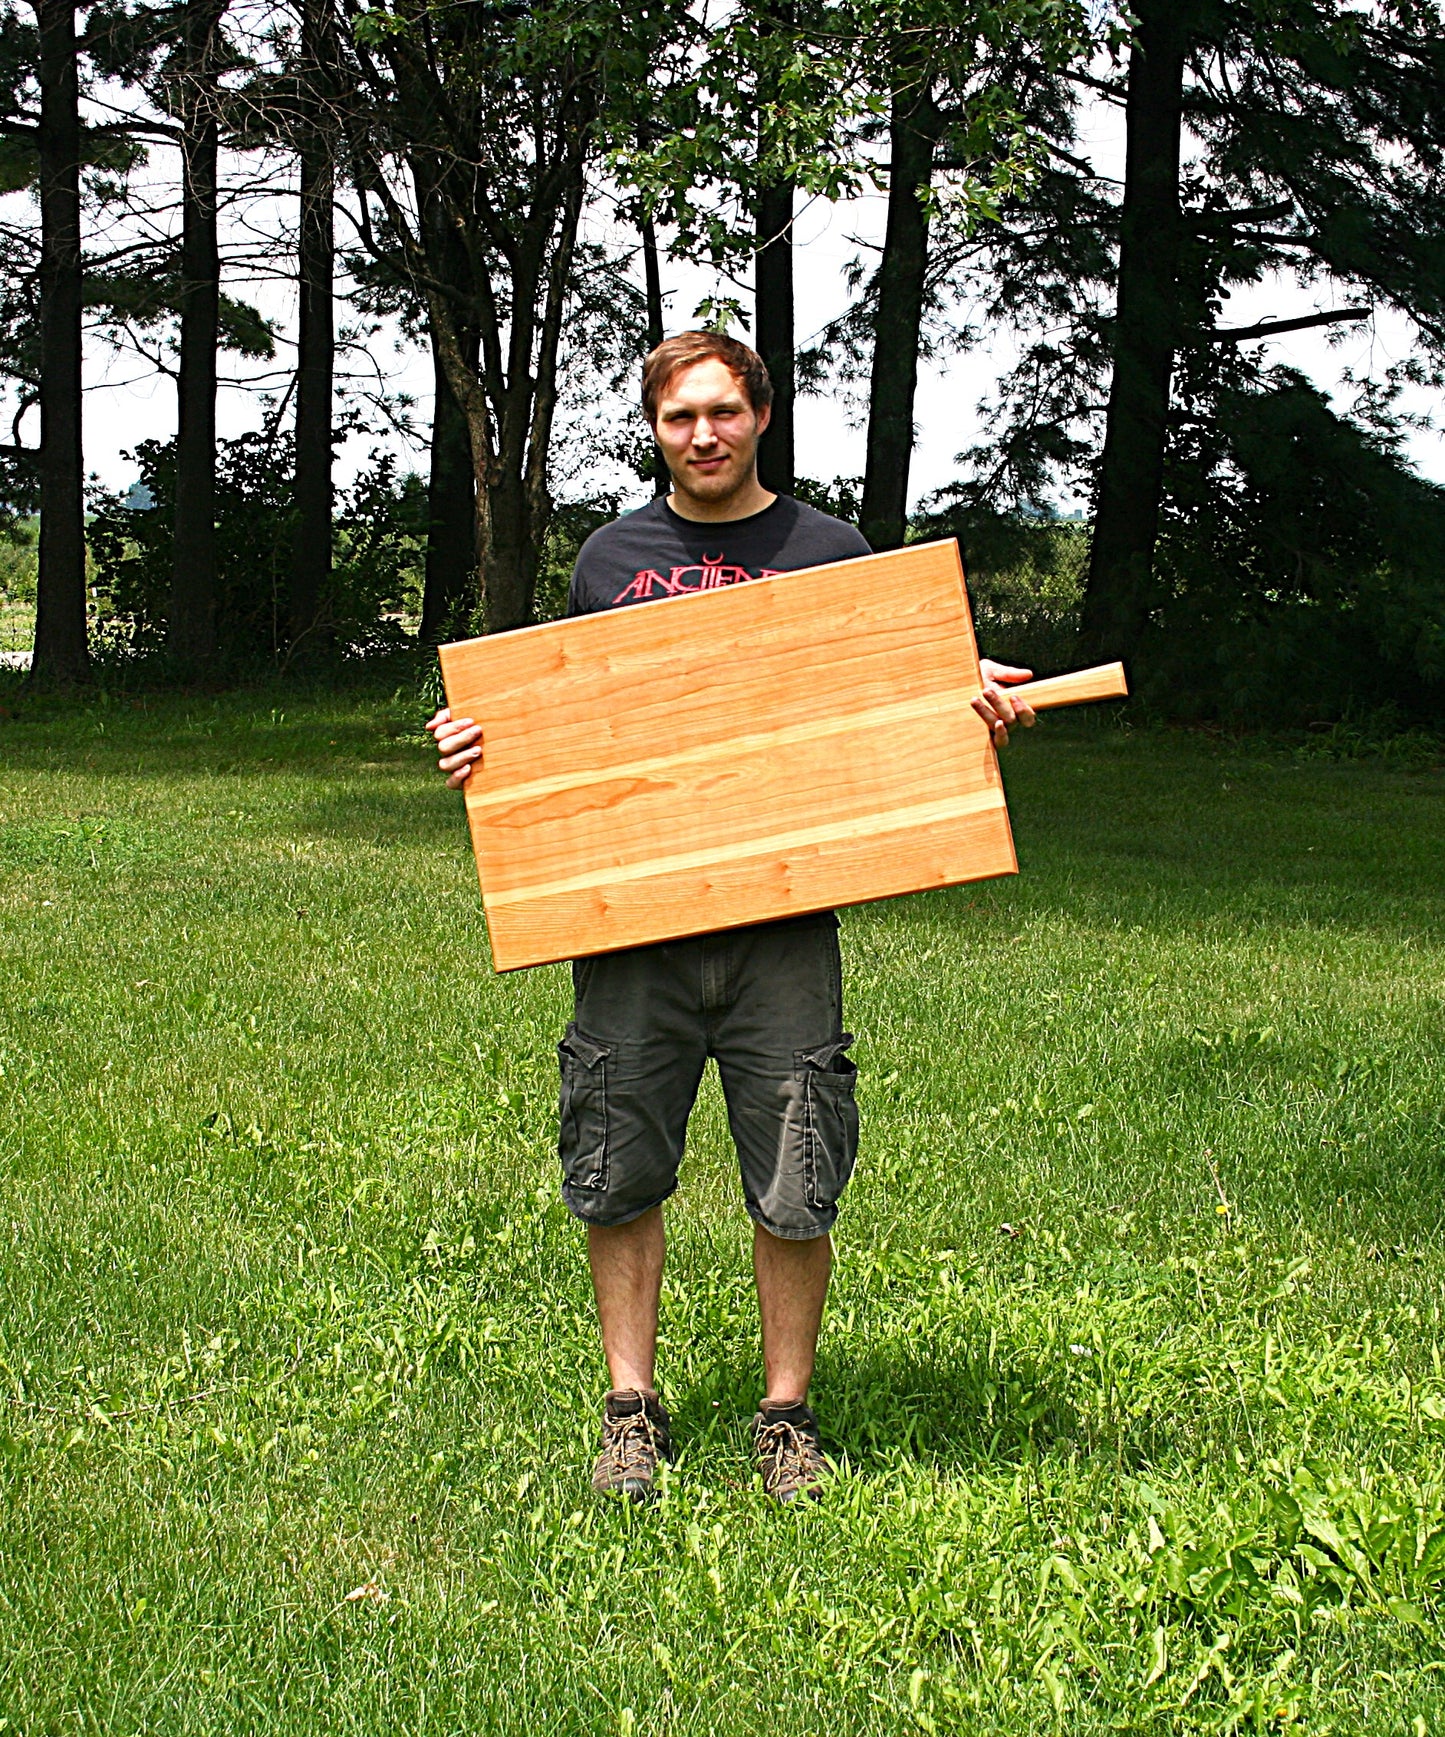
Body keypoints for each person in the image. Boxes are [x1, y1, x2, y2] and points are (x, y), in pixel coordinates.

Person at [426, 332, 1035, 1504]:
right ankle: (628, 1410)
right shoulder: (609, 559)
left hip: (781, 925)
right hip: (630, 924)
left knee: (798, 1170)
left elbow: (886, 709)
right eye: (675, 419)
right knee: (615, 1165)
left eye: (720, 412)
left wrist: (963, 712)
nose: (700, 436)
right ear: (654, 431)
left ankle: (784, 1415)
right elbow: (559, 725)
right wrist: (479, 748)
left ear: (760, 414)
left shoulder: (827, 554)